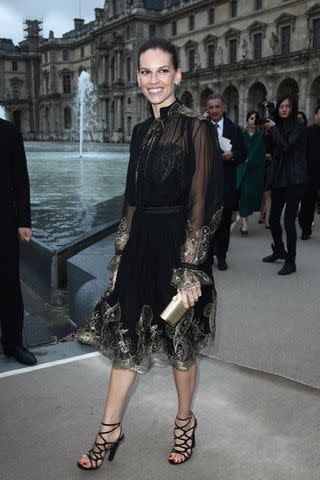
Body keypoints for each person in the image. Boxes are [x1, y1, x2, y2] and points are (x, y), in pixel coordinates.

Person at [76, 38, 223, 469]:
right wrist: (120, 256)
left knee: (180, 343)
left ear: (178, 75)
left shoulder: (197, 128)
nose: (153, 80)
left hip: (179, 253)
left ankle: (184, 422)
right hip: (140, 248)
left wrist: (192, 269)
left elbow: (204, 200)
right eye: (145, 71)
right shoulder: (140, 132)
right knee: (126, 339)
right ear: (138, 77)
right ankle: (109, 429)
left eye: (162, 71)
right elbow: (131, 200)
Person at [0, 118, 36, 365]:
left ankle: (13, 344)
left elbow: (21, 180)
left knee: (9, 284)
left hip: (4, 221)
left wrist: (24, 222)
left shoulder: (9, 132)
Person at [262, 96, 309, 275]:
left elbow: (286, 146)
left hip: (295, 179)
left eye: (287, 106)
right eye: (281, 106)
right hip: (280, 177)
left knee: (289, 221)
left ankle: (291, 261)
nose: (283, 109)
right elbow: (272, 146)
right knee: (274, 219)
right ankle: (279, 250)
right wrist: (268, 130)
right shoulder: (279, 126)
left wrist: (273, 129)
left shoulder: (299, 126)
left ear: (293, 108)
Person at [205, 94, 247, 270]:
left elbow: (244, 153)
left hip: (226, 183)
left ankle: (221, 255)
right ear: (207, 109)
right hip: (206, 184)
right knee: (207, 223)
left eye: (217, 107)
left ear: (224, 108)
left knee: (223, 223)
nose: (214, 110)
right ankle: (207, 256)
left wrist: (232, 155)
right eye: (210, 107)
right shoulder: (201, 127)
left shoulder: (234, 129)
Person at [236, 111, 266, 235]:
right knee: (244, 194)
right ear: (247, 120)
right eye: (252, 118)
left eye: (255, 118)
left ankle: (245, 218)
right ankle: (244, 223)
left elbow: (262, 152)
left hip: (255, 171)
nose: (253, 121)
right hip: (243, 169)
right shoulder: (242, 134)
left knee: (250, 196)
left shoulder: (260, 135)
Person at [298, 105, 320, 239]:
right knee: (308, 202)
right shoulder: (308, 132)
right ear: (315, 115)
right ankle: (305, 229)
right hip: (311, 173)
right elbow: (302, 153)